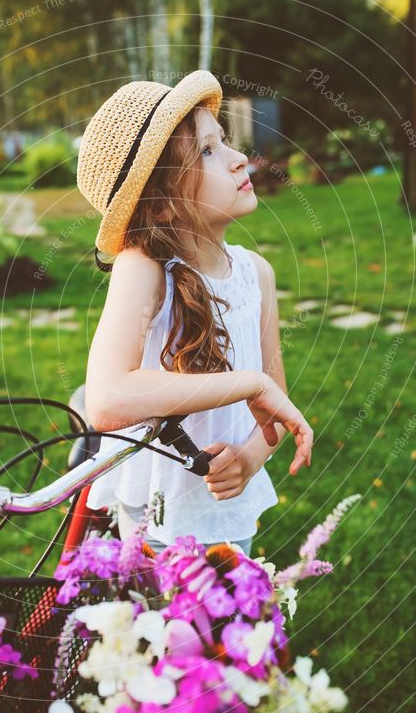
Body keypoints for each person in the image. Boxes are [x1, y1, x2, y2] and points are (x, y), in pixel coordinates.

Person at [77, 69, 313, 556]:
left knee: (225, 627)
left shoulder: (256, 274)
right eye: (206, 151)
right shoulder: (145, 269)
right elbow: (106, 398)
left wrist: (249, 458)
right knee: (165, 628)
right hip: (156, 519)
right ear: (161, 205)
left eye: (222, 142)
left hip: (225, 510)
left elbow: (271, 411)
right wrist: (250, 383)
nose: (238, 159)